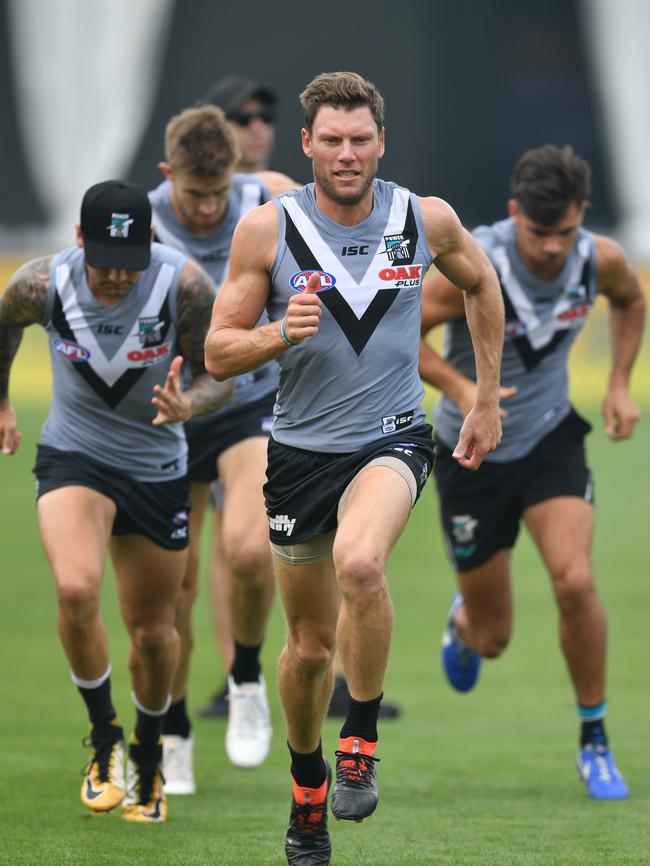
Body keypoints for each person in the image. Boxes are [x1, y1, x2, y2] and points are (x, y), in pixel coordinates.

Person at [204, 71, 505, 866]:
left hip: (392, 438)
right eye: (331, 140)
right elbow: (217, 349)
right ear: (306, 145)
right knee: (306, 647)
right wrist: (276, 335)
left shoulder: (424, 218)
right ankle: (307, 794)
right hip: (300, 453)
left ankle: (360, 745)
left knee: (361, 566)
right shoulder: (267, 232)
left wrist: (481, 401)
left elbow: (482, 284)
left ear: (382, 141)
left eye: (360, 139)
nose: (347, 153)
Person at [0, 180, 232, 822]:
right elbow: (5, 325)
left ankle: (149, 754)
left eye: (128, 265)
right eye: (103, 261)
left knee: (154, 631)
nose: (114, 278)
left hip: (157, 468)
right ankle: (104, 741)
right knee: (75, 590)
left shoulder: (181, 286)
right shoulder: (41, 283)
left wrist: (193, 403)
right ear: (79, 242)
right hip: (75, 456)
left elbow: (222, 374)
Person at [419, 144, 645, 800]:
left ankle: (594, 739)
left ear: (583, 217)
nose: (552, 248)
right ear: (515, 213)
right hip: (472, 453)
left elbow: (631, 301)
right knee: (494, 639)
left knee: (575, 581)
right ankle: (465, 622)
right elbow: (406, 338)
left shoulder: (597, 258)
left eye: (565, 231)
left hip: (551, 439)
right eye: (539, 232)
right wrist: (467, 393)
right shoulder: (471, 259)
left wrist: (621, 384)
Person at [149, 104, 283, 790]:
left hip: (246, 405)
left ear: (239, 172)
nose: (208, 210)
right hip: (166, 418)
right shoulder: (136, 226)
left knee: (251, 549)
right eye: (194, 194)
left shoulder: (268, 199)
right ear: (169, 174)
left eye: (219, 192)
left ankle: (249, 679)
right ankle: (172, 732)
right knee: (175, 590)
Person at [202, 74, 296, 196]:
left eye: (265, 117)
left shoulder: (295, 197)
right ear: (213, 130)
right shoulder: (198, 202)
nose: (257, 128)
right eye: (243, 119)